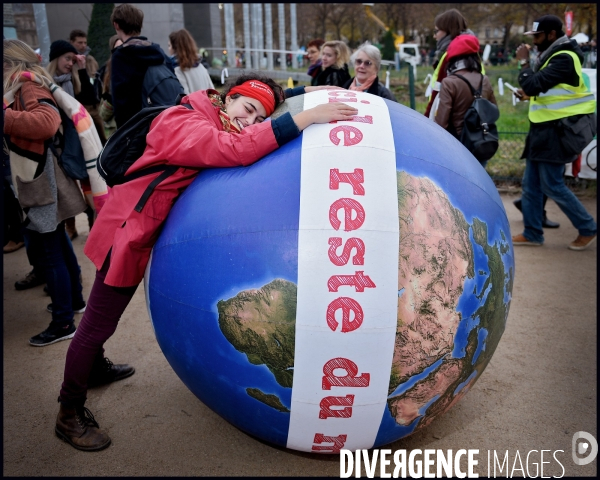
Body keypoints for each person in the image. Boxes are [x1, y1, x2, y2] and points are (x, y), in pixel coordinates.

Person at [53, 74, 358, 451]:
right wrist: (304, 118)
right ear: (226, 99)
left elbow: (254, 106)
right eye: (246, 110)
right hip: (126, 231)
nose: (249, 121)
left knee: (102, 321)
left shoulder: (215, 108)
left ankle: (94, 366)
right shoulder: (184, 123)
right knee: (99, 321)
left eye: (258, 117)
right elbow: (234, 149)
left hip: (142, 225)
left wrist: (300, 94)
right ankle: (69, 412)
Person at [3, 39, 88, 346]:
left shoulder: (27, 87)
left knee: (50, 252)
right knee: (57, 245)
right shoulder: (26, 85)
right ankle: (74, 302)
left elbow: (46, 123)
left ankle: (64, 322)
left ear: (11, 64)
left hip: (39, 181)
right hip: (40, 179)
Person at [511, 15, 597, 250]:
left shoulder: (565, 58)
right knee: (531, 185)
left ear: (551, 34)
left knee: (552, 185)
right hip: (543, 129)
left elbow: (533, 83)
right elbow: (543, 88)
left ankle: (588, 227)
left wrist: (523, 64)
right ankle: (532, 233)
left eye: (537, 36)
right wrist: (530, 93)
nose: (534, 41)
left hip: (558, 132)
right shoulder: (551, 56)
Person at [434, 35, 497, 166]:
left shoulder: (449, 82)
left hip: (457, 146)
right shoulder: (484, 79)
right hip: (481, 143)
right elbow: (494, 110)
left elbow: (441, 122)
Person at [110, 4, 175, 128]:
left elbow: (120, 101)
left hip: (137, 126)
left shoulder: (121, 56)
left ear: (116, 25)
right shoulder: (158, 52)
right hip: (164, 120)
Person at [424, 9, 470, 118]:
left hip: (449, 119)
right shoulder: (470, 54)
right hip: (466, 117)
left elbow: (440, 89)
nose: (434, 36)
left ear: (448, 31)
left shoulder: (451, 55)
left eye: (436, 31)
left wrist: (428, 119)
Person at [69, 29, 106, 146]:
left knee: (103, 139)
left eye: (85, 42)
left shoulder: (91, 60)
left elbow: (98, 81)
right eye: (79, 42)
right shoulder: (70, 63)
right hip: (81, 107)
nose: (83, 45)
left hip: (96, 106)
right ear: (72, 42)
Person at [168, 29, 214, 94]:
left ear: (175, 48)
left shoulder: (177, 70)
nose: (169, 49)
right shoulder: (200, 66)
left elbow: (185, 97)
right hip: (206, 103)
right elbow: (212, 91)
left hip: (193, 104)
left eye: (169, 45)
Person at [98, 35, 123, 139]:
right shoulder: (106, 71)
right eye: (117, 48)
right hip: (114, 129)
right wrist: (111, 99)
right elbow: (103, 113)